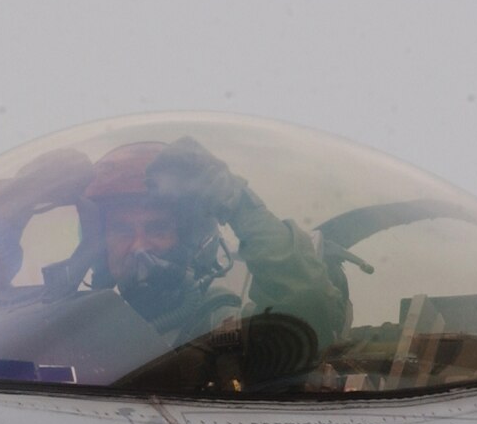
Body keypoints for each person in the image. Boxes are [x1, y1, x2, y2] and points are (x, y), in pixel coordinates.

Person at [83, 136, 348, 354]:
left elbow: (306, 314)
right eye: (121, 231)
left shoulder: (217, 324)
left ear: (193, 242)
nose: (138, 246)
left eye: (158, 229)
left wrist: (239, 204)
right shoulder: (89, 327)